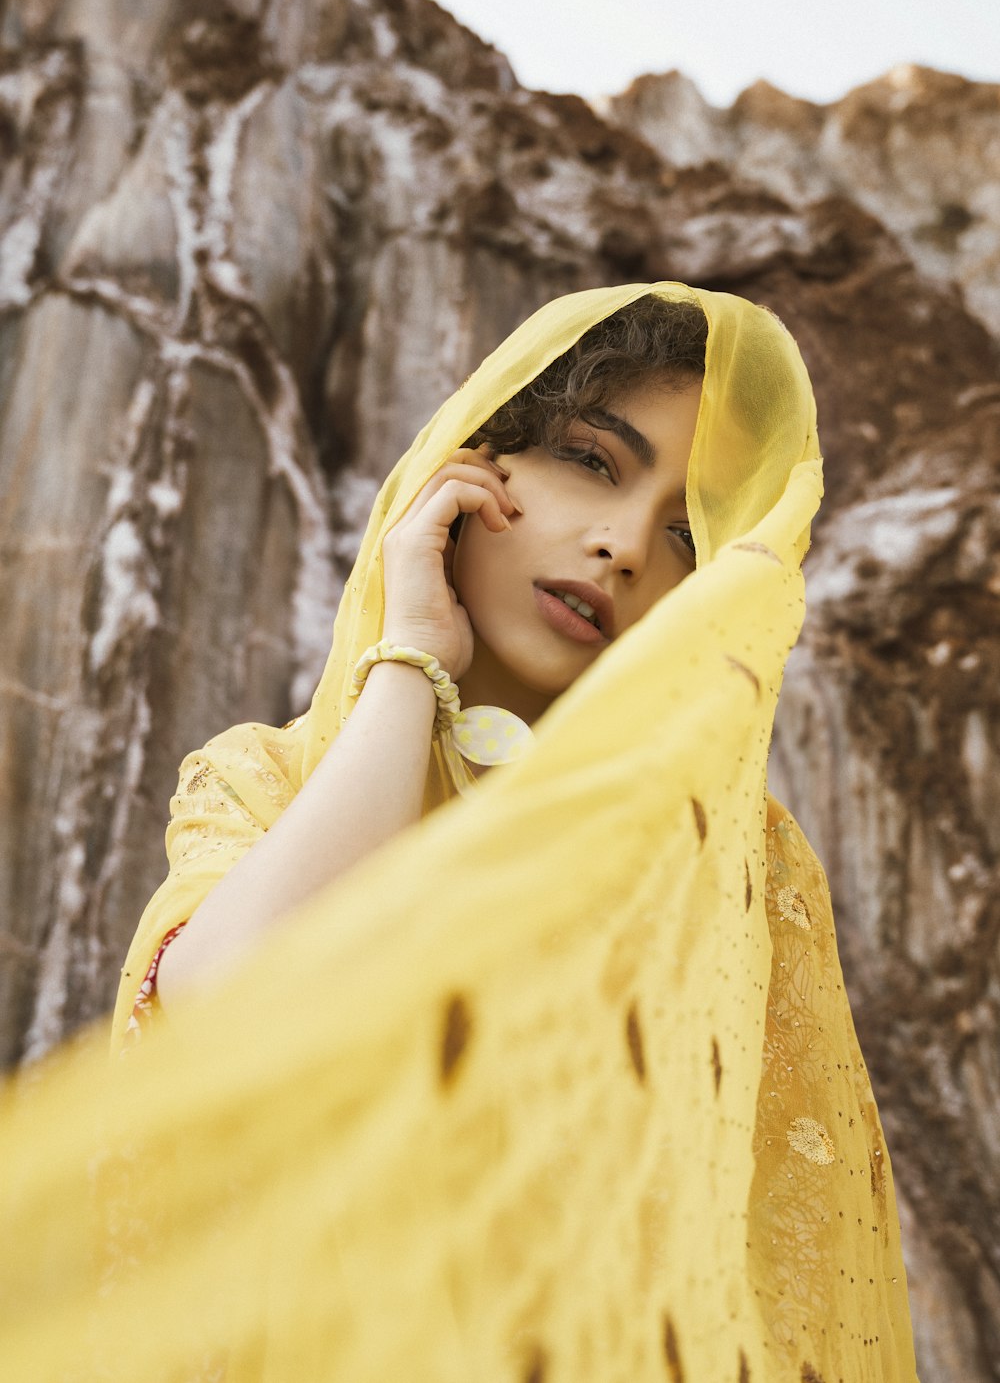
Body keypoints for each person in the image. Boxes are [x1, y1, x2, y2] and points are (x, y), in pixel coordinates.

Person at [105, 281, 918, 1381]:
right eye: (591, 460)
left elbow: (775, 1270)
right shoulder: (267, 782)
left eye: (688, 533)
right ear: (473, 467)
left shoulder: (726, 858)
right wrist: (407, 665)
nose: (624, 545)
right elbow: (228, 1003)